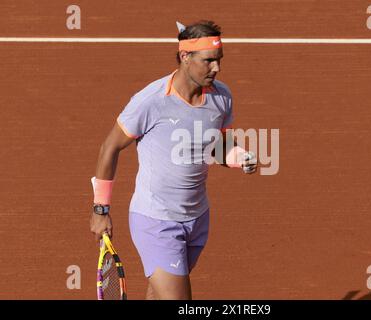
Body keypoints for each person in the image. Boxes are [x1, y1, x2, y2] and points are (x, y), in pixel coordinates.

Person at [90, 20, 257, 300]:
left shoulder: (221, 98)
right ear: (185, 57)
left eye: (219, 60)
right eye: (209, 61)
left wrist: (241, 157)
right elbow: (110, 147)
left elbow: (217, 147)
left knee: (159, 294)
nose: (216, 68)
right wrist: (100, 210)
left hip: (197, 218)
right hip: (156, 221)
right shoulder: (151, 101)